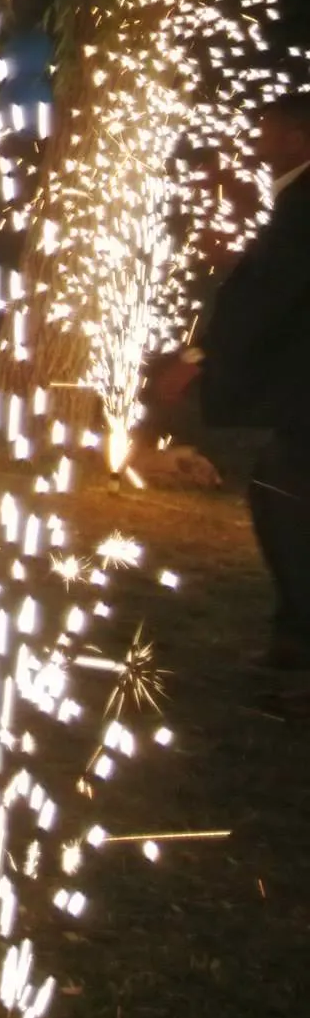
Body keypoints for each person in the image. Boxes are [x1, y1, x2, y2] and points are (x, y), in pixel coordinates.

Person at [160, 94, 310, 670]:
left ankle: (298, 638)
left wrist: (199, 356)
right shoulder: (294, 201)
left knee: (284, 496)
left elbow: (271, 297)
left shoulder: (304, 204)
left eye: (268, 129)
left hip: (304, 395)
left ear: (298, 138)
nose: (256, 137)